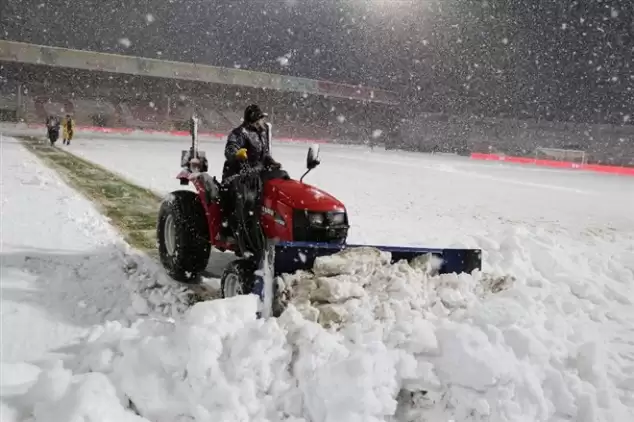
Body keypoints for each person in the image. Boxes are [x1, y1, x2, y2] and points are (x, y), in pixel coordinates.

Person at [219, 104, 282, 254]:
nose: (262, 121)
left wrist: (271, 162)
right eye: (260, 118)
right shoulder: (239, 133)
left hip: (256, 175)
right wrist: (237, 154)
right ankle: (240, 234)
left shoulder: (261, 133)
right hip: (238, 175)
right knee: (246, 200)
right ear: (254, 118)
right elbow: (230, 150)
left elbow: (264, 155)